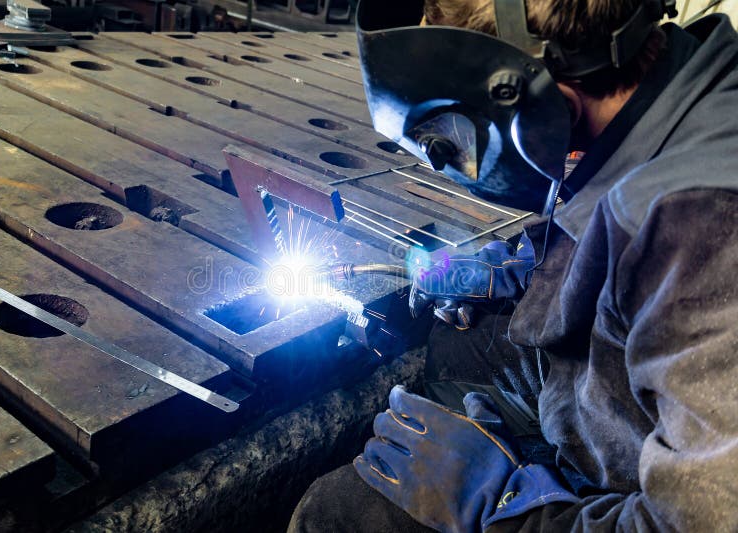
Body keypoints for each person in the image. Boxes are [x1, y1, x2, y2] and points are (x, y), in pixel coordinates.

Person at [288, 0, 738, 531]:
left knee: (336, 514)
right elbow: (611, 218)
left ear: (534, 100)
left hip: (660, 484)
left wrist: (503, 503)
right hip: (625, 383)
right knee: (458, 344)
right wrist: (513, 270)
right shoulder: (688, 86)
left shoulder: (700, 230)